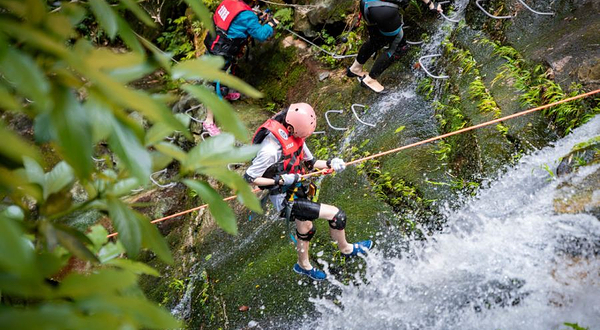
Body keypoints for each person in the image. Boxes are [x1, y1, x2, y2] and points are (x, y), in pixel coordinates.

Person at [244, 103, 373, 280]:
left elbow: (311, 163)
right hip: (284, 198)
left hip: (297, 188)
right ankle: (346, 249)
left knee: (306, 228)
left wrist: (331, 163)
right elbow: (250, 178)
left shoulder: (294, 135)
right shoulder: (270, 150)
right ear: (290, 127)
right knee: (337, 216)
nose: (302, 138)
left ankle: (303, 265)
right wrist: (280, 180)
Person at [202, 0, 279, 136]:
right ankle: (208, 121)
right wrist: (270, 25)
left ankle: (224, 94)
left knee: (226, 73)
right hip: (222, 51)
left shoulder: (228, 2)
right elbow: (261, 34)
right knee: (215, 84)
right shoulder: (247, 15)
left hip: (215, 45)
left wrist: (256, 19)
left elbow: (235, 23)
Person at [347, 0, 443, 93]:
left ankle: (355, 69)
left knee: (377, 39)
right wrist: (431, 4)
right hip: (384, 11)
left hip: (366, 5)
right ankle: (370, 80)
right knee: (399, 47)